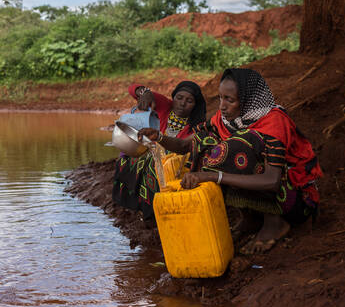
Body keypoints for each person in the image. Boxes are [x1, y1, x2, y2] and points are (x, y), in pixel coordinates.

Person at [138, 68, 323, 254]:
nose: (222, 106)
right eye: (220, 98)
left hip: (293, 199)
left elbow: (272, 181)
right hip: (267, 189)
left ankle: (274, 223)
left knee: (236, 148)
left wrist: (212, 176)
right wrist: (159, 137)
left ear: (248, 101)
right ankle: (250, 217)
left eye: (230, 100)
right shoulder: (226, 119)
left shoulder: (273, 122)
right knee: (205, 141)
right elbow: (185, 145)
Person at [112, 81, 207, 219]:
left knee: (153, 165)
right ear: (173, 97)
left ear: (195, 105)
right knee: (126, 160)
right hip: (149, 151)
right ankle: (133, 204)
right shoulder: (164, 106)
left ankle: (151, 210)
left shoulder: (196, 124)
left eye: (189, 101)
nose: (182, 103)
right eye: (179, 98)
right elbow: (133, 88)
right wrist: (145, 92)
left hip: (172, 162)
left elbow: (183, 148)